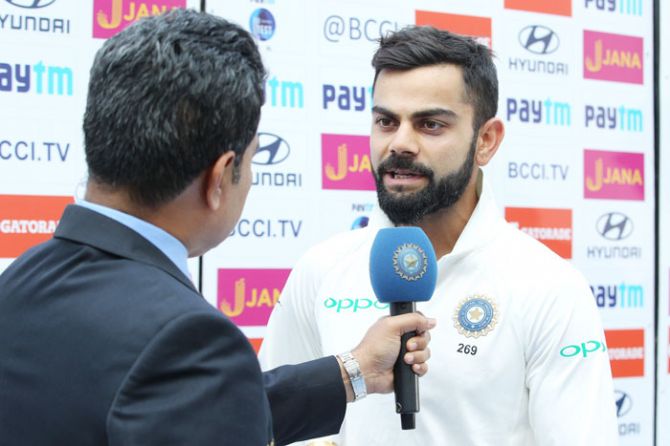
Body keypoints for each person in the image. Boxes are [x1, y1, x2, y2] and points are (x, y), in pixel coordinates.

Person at [0, 10, 436, 446]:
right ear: (219, 176)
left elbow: (180, 405)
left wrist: (355, 370)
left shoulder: (20, 281)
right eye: (250, 161)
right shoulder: (187, 339)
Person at [259, 26, 618, 445]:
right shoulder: (321, 268)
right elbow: (270, 424)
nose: (400, 143)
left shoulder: (550, 287)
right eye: (385, 121)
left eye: (429, 124)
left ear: (486, 140)